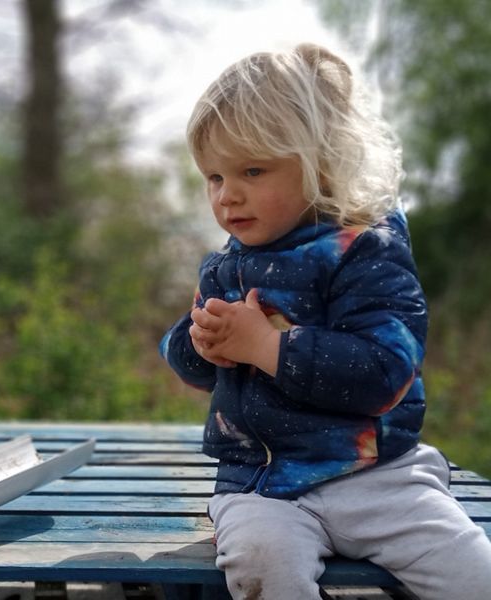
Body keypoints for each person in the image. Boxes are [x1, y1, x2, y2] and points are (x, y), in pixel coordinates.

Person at [160, 43, 491, 600]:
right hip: (262, 486)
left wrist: (270, 346)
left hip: (379, 479)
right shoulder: (227, 264)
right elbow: (192, 363)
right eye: (213, 177)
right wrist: (200, 344)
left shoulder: (363, 251)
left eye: (252, 170)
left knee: (475, 577)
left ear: (321, 163)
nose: (227, 194)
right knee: (262, 564)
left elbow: (386, 372)